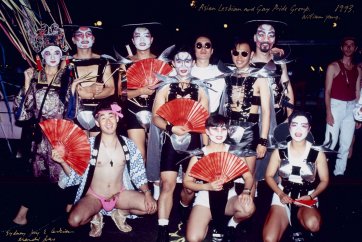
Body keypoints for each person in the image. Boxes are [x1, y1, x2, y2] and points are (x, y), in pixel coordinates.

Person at [60, 99, 157, 237]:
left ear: (117, 118)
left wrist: (147, 193)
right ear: (97, 123)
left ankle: (120, 213)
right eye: (103, 118)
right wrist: (63, 162)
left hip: (120, 194)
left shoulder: (128, 144)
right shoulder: (88, 145)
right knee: (74, 221)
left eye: (111, 116)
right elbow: (75, 176)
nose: (108, 121)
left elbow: (138, 172)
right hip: (94, 197)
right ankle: (96, 215)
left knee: (151, 208)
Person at [13, 23, 72, 225]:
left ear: (62, 56)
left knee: (62, 173)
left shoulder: (68, 80)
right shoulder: (35, 77)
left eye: (57, 52)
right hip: (37, 136)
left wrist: (67, 135)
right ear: (42, 56)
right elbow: (23, 113)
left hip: (60, 135)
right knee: (36, 175)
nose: (53, 56)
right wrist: (27, 83)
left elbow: (73, 111)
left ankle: (68, 209)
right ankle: (22, 214)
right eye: (49, 52)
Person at [151, 50, 209, 242]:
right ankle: (162, 230)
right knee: (167, 185)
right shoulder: (165, 87)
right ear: (173, 64)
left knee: (189, 189)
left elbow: (205, 122)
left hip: (193, 143)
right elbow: (155, 117)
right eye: (179, 60)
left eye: (187, 60)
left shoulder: (201, 88)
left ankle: (184, 214)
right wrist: (171, 127)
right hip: (171, 140)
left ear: (192, 62)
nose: (183, 64)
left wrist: (206, 151)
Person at [184, 114, 255, 242]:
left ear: (228, 131)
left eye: (223, 129)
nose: (219, 132)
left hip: (229, 197)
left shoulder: (234, 152)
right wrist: (206, 186)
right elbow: (187, 182)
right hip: (205, 197)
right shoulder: (200, 155)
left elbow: (249, 177)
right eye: (215, 128)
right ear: (207, 131)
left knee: (248, 208)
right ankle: (204, 219)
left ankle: (231, 225)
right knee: (193, 239)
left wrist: (246, 191)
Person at [263, 110, 329, 242]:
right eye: (294, 124)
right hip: (283, 195)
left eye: (303, 125)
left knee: (314, 225)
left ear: (309, 128)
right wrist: (280, 194)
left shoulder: (317, 153)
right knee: (269, 239)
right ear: (289, 127)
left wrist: (311, 196)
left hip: (306, 196)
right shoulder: (279, 151)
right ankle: (288, 221)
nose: (298, 129)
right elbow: (269, 176)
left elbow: (325, 181)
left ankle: (301, 223)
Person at [63, 25, 115, 136]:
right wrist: (86, 90)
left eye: (88, 34)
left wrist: (90, 94)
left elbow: (111, 89)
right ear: (73, 40)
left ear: (93, 39)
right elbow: (64, 91)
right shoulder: (67, 62)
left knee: (98, 150)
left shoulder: (103, 61)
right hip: (75, 112)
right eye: (80, 35)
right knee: (80, 151)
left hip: (99, 112)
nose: (84, 38)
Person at [323, 36, 361, 176]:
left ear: (355, 48)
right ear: (342, 47)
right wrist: (328, 112)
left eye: (352, 45)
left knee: (345, 144)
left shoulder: (357, 69)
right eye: (346, 45)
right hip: (335, 105)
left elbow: (357, 93)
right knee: (330, 142)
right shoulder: (333, 66)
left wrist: (358, 116)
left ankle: (339, 172)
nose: (349, 47)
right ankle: (321, 170)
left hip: (351, 107)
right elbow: (327, 91)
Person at [191, 35, 225, 115]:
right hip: (188, 118)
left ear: (212, 51)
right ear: (194, 50)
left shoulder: (221, 71)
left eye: (207, 45)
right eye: (199, 46)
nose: (203, 49)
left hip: (211, 119)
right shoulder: (184, 70)